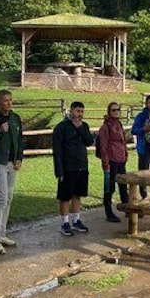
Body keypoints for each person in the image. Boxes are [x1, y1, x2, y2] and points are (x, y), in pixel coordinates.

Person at [0, 88, 23, 255]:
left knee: (9, 198)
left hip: (12, 162)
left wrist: (19, 157)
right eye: (5, 100)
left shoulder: (15, 118)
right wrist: (0, 131)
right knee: (1, 198)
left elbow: (20, 139)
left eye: (10, 99)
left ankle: (2, 233)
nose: (9, 102)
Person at [52, 101, 93, 236]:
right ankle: (64, 222)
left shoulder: (84, 126)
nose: (79, 114)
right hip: (67, 167)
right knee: (65, 196)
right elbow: (57, 150)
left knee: (77, 194)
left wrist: (80, 128)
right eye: (77, 111)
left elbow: (89, 141)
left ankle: (76, 220)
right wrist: (59, 170)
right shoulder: (61, 127)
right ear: (71, 111)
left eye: (82, 111)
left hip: (81, 166)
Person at [99, 101, 128, 222]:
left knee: (123, 185)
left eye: (118, 110)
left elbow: (123, 141)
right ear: (109, 112)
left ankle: (128, 209)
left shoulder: (119, 124)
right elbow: (103, 146)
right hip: (111, 160)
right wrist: (105, 164)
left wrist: (125, 154)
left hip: (121, 159)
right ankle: (108, 212)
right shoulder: (105, 127)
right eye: (113, 110)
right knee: (109, 187)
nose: (116, 112)